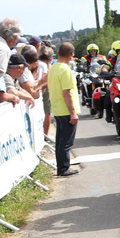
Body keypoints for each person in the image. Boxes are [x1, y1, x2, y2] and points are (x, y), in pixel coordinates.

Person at [49, 42, 80, 177]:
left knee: (60, 141)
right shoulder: (65, 70)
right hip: (66, 110)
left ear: (58, 52)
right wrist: (73, 113)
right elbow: (66, 93)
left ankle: (61, 167)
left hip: (57, 108)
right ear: (71, 55)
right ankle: (63, 168)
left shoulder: (54, 67)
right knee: (66, 142)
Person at [38, 46, 54, 137]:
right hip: (43, 90)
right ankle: (45, 135)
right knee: (47, 112)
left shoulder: (38, 63)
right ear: (50, 57)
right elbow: (44, 79)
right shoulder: (43, 65)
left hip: (39, 89)